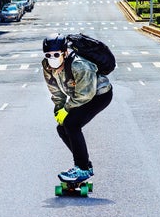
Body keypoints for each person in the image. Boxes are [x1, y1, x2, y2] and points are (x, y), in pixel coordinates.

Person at [42, 33, 113, 182]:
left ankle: (82, 169)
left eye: (56, 54)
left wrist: (66, 109)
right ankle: (85, 165)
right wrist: (58, 108)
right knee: (62, 128)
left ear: (65, 52)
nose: (52, 59)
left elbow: (85, 95)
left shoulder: (79, 65)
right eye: (48, 55)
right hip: (80, 97)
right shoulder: (47, 66)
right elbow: (55, 90)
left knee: (72, 124)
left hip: (99, 95)